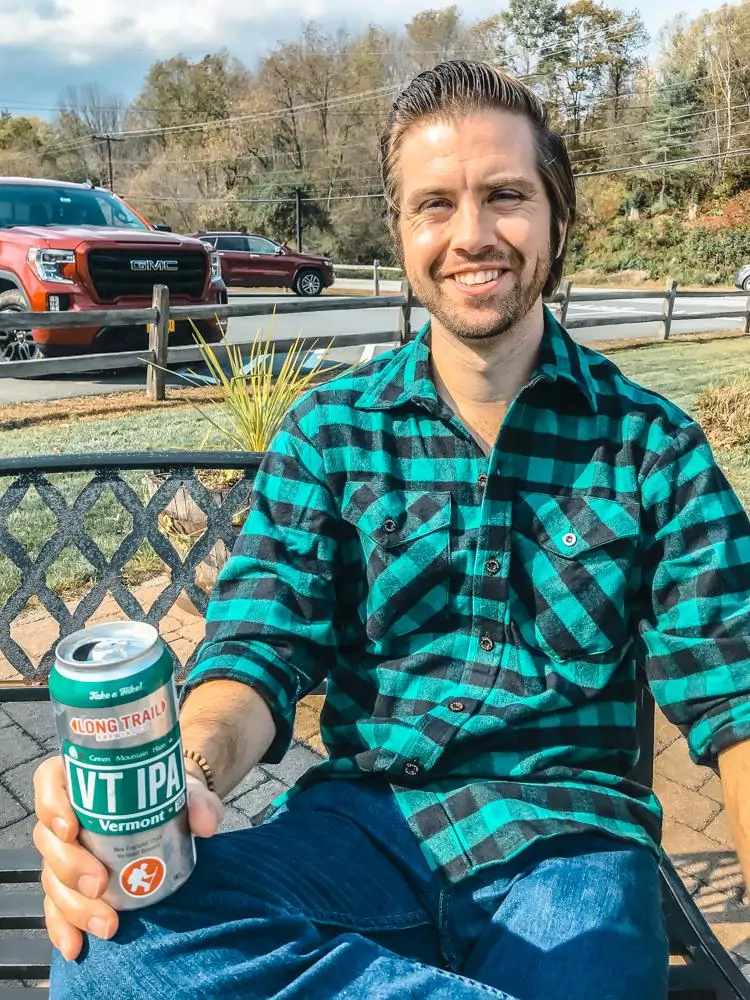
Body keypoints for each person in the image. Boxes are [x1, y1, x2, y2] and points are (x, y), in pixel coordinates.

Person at [33, 60, 750, 1000]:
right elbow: (256, 651)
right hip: (362, 831)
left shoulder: (654, 449)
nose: (472, 235)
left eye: (506, 196)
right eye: (435, 205)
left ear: (558, 220)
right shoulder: (331, 433)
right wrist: (186, 777)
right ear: (404, 234)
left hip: (569, 848)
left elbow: (735, 703)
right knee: (110, 942)